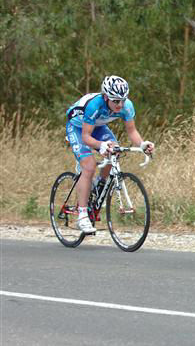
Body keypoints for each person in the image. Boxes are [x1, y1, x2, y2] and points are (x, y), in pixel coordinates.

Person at [66, 75, 155, 234]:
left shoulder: (126, 106)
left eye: (123, 100)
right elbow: (86, 137)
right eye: (115, 101)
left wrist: (142, 145)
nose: (120, 105)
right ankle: (82, 216)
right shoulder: (94, 105)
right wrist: (100, 145)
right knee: (89, 166)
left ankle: (100, 185)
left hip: (98, 126)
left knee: (115, 151)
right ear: (106, 97)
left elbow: (132, 131)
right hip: (78, 128)